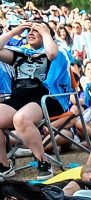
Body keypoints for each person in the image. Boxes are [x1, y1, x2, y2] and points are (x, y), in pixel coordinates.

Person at [0, 20, 72, 179]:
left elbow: (52, 54)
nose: (31, 33)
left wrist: (46, 32)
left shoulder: (57, 52)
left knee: (21, 118)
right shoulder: (19, 53)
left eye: (37, 30)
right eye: (29, 30)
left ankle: (43, 161)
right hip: (18, 98)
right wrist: (14, 31)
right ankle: (4, 165)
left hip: (46, 98)